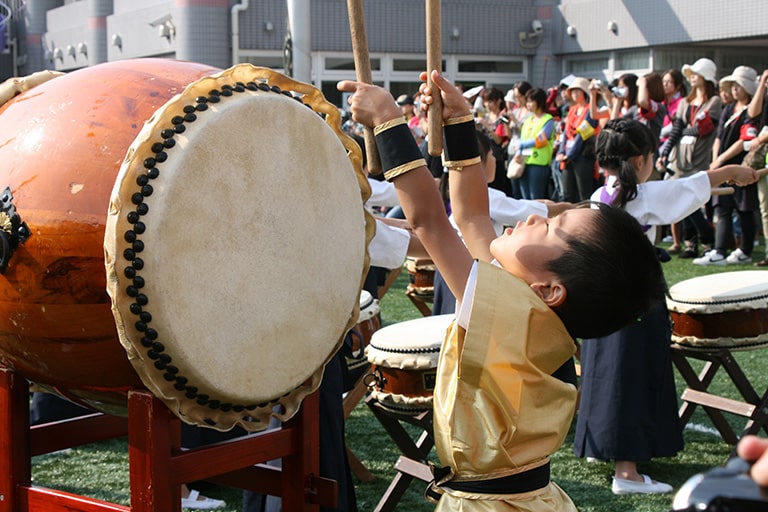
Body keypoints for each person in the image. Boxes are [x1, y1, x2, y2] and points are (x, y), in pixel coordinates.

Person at [338, 70, 666, 511]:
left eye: (551, 228)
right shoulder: (526, 312)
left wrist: (388, 122)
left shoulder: (513, 322)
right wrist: (459, 123)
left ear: (550, 289)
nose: (533, 219)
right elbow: (472, 215)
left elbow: (433, 222)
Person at [572, 118, 758, 495]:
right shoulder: (643, 194)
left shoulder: (600, 193)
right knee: (633, 376)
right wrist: (733, 171)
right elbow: (690, 188)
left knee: (604, 373)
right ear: (641, 159)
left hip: (602, 299)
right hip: (635, 299)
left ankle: (601, 448)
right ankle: (627, 473)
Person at [694, 65, 760, 266]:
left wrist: (721, 160)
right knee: (722, 207)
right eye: (732, 86)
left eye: (738, 85)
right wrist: (717, 160)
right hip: (722, 164)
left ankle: (745, 250)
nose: (734, 90)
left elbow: (744, 139)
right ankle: (719, 250)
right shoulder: (728, 109)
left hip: (741, 164)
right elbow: (719, 136)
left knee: (744, 208)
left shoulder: (753, 111)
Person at [659, 57, 722, 259]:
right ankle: (690, 243)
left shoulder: (714, 101)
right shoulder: (686, 103)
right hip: (680, 158)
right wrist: (665, 153)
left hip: (699, 157)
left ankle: (706, 239)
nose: (693, 77)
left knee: (693, 201)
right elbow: (676, 131)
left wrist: (683, 130)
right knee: (682, 201)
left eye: (697, 73)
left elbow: (703, 129)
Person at [556, 76, 600, 203]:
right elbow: (565, 133)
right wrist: (561, 152)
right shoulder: (572, 110)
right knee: (567, 193)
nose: (574, 94)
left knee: (584, 193)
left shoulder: (590, 111)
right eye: (573, 91)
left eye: (577, 91)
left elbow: (583, 135)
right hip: (567, 156)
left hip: (583, 156)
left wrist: (569, 155)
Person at [513, 87, 556, 200]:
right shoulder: (528, 121)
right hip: (524, 161)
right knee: (524, 197)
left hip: (538, 163)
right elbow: (522, 138)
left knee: (535, 197)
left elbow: (541, 139)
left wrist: (521, 146)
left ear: (540, 102)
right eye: (527, 101)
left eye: (531, 101)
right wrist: (518, 152)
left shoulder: (548, 119)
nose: (528, 104)